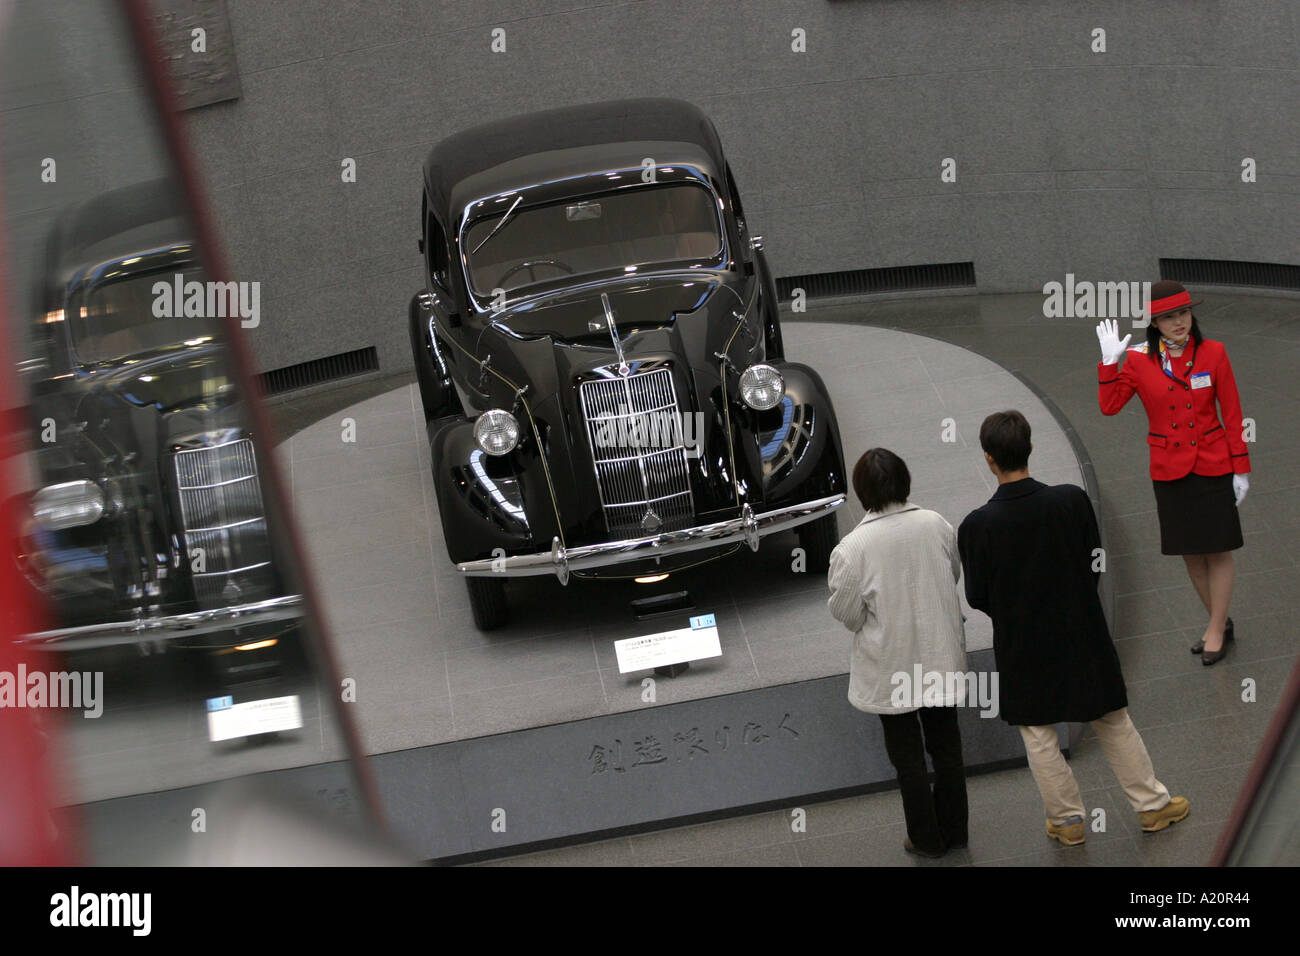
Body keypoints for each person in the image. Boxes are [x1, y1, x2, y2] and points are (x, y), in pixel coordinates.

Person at [957, 410, 1189, 846]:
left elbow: (977, 596)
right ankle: (1153, 807)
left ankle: (1067, 823)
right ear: (1030, 447)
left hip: (1022, 643)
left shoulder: (977, 526)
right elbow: (1093, 562)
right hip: (1080, 629)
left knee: (1040, 734)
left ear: (989, 458)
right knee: (1112, 719)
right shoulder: (1069, 500)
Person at [1096, 279, 1251, 664]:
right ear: (1155, 323)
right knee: (1190, 553)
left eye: (1182, 313)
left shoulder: (1214, 353)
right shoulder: (1138, 359)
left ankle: (1216, 628)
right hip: (1169, 469)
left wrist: (1240, 468)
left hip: (1213, 463)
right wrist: (1109, 363)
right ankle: (1220, 619)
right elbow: (1110, 406)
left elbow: (1232, 414)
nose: (1178, 322)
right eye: (1167, 317)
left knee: (1218, 549)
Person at [828, 448, 968, 858]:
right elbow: (953, 575)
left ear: (861, 491)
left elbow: (848, 613)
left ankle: (925, 838)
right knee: (948, 749)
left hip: (890, 664)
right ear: (905, 481)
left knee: (908, 760)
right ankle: (956, 829)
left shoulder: (852, 549)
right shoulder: (937, 524)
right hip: (939, 655)